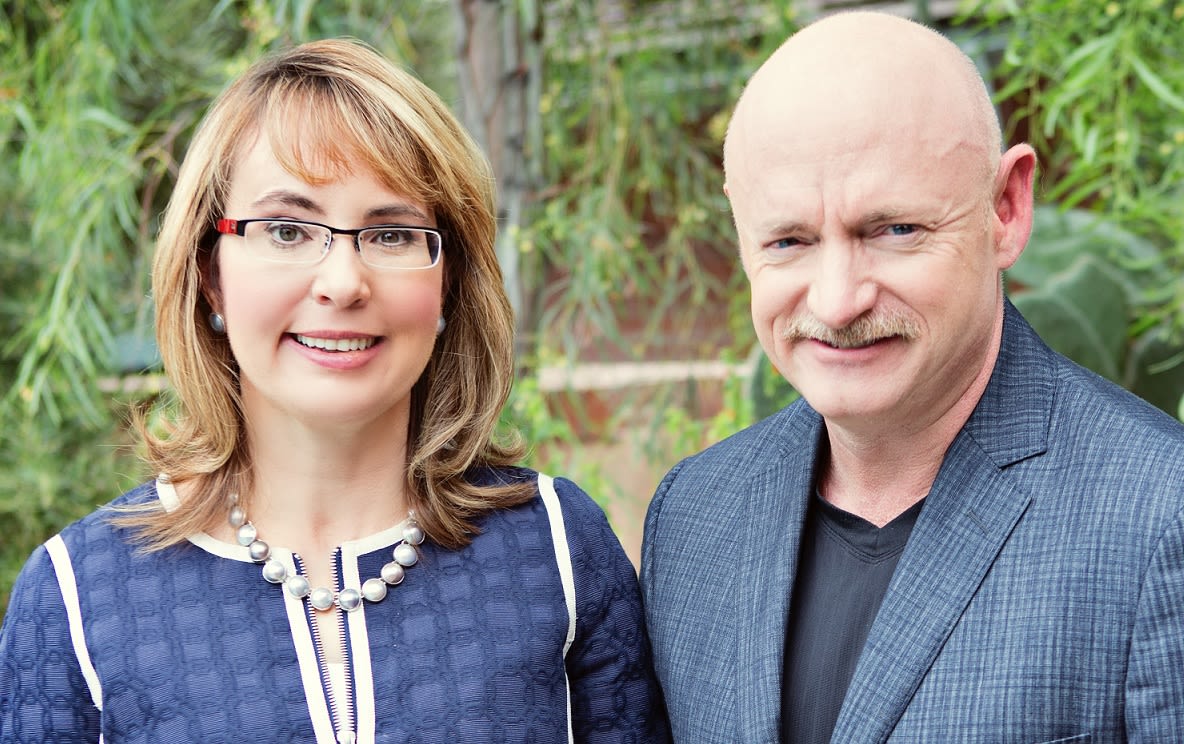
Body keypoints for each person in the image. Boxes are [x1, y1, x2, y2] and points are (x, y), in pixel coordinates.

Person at [0, 39, 668, 743]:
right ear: (209, 275)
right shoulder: (78, 595)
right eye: (287, 229)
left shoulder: (557, 548)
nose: (344, 283)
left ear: (448, 282)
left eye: (392, 234)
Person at [641, 10, 1184, 743]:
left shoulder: (1158, 516)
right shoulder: (694, 518)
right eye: (789, 240)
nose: (837, 300)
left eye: (893, 230)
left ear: (1006, 208)